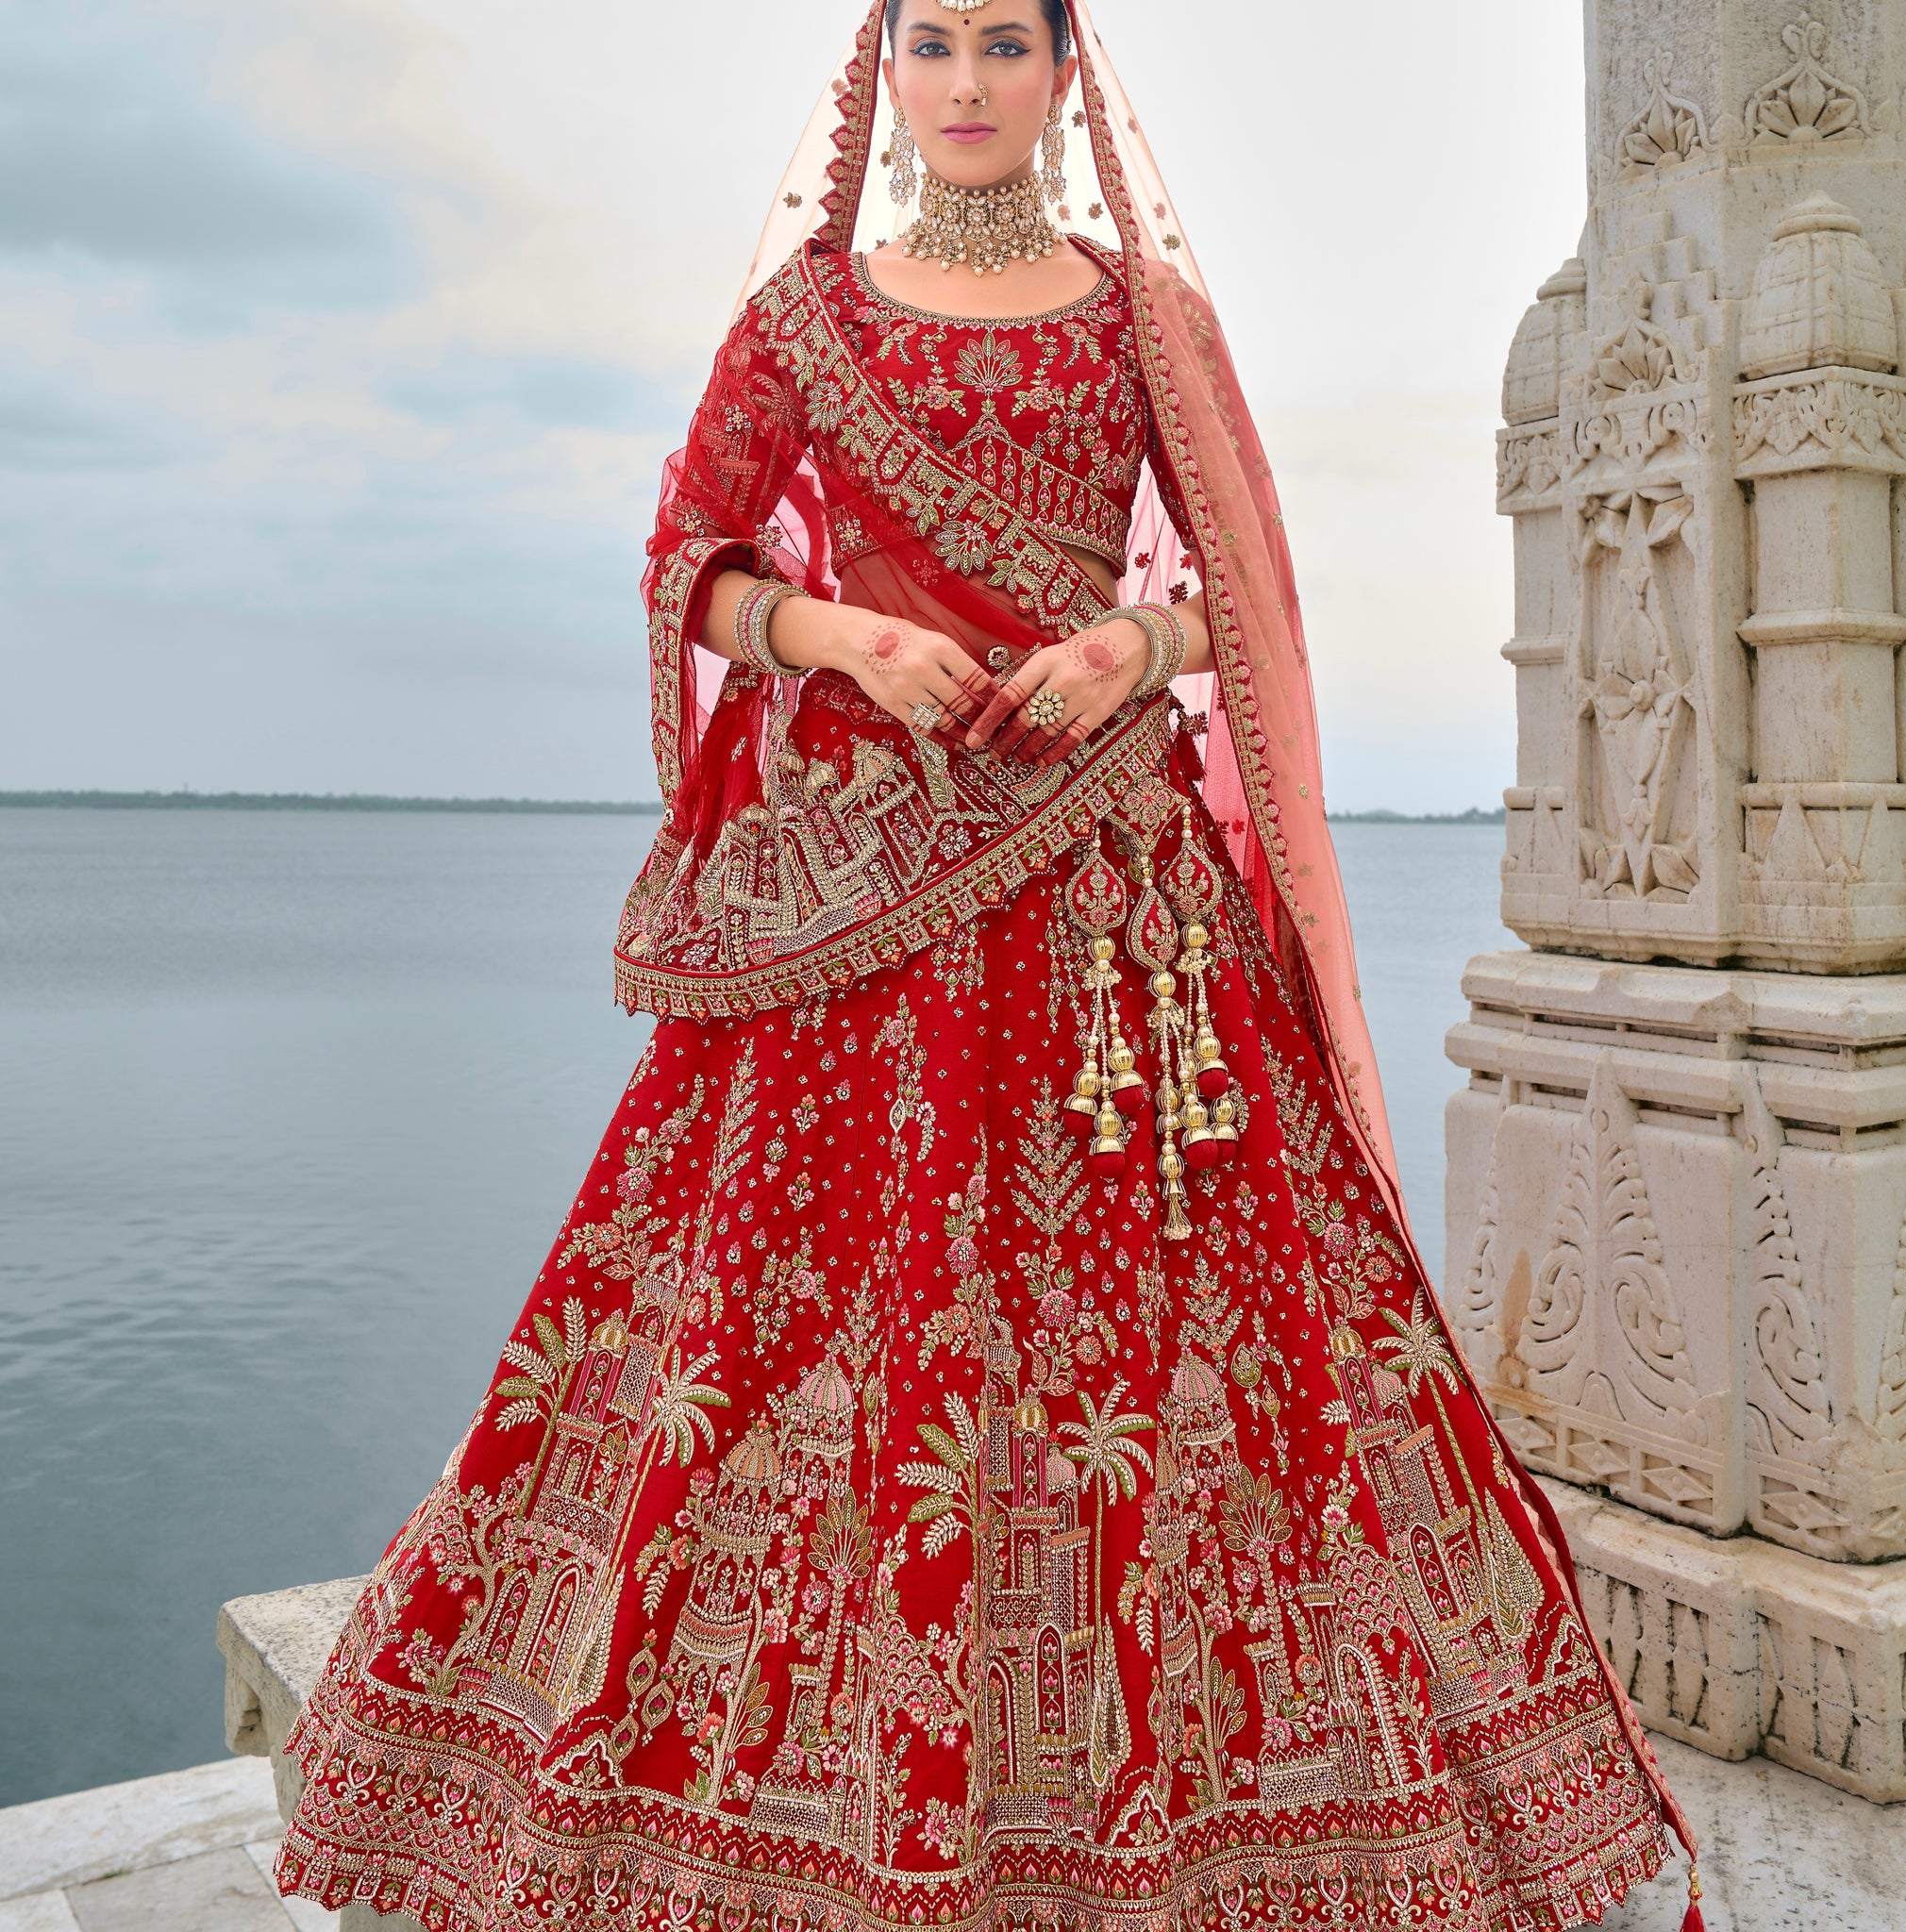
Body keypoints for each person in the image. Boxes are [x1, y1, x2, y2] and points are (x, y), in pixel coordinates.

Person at [276, 5, 1705, 1928]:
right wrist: (839, 640)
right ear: (889, 75)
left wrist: (1133, 650)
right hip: (844, 915)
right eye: (929, 41)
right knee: (784, 1338)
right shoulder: (804, 319)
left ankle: (1214, 1812)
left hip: (1122, 937)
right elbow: (681, 561)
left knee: (1155, 1351)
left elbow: (1249, 602)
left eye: (1001, 45)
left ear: (1060, 74)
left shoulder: (1140, 319)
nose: (963, 82)